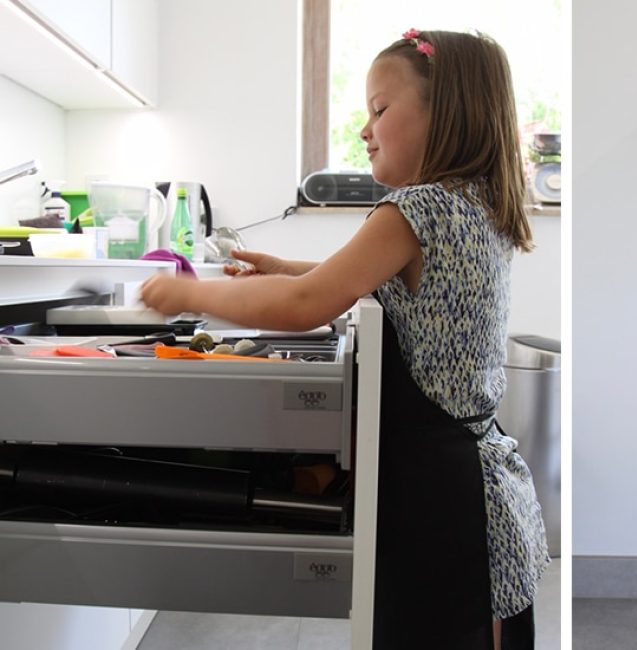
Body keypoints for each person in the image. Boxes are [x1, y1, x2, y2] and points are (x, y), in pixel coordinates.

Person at [140, 28, 549, 650]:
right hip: (472, 477)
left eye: (380, 110)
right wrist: (283, 267)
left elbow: (310, 304)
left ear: (446, 115)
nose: (365, 129)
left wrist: (191, 295)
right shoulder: (474, 204)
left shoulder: (418, 209)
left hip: (440, 494)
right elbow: (358, 283)